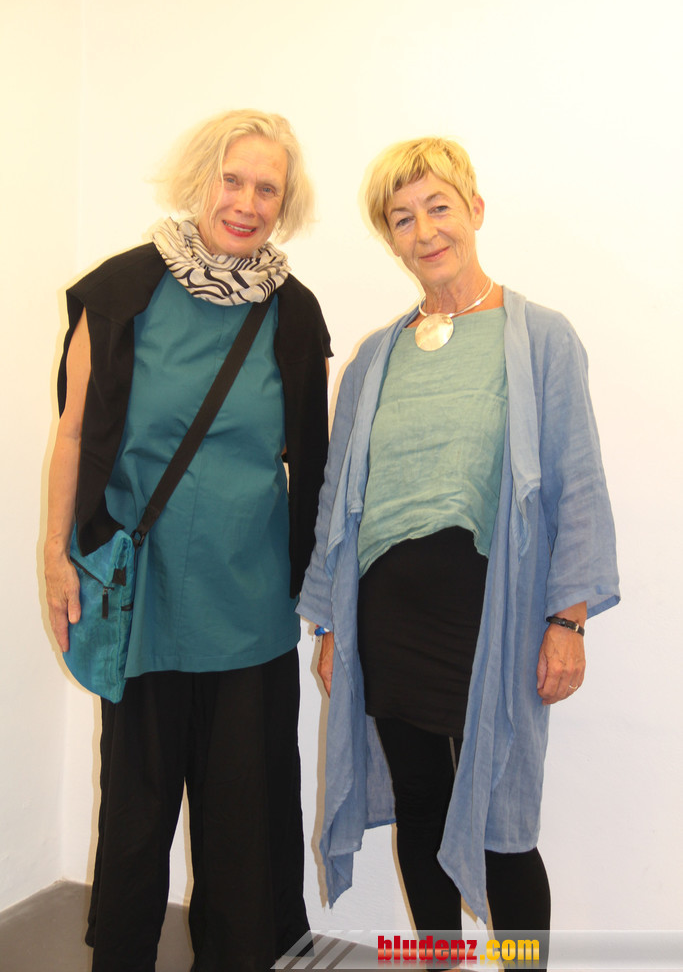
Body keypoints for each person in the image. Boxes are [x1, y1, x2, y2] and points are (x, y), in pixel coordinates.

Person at [298, 137, 619, 967]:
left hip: (492, 615)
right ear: (390, 238)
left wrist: (568, 621)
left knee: (503, 826)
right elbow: (337, 496)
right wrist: (330, 624)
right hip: (386, 619)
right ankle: (438, 962)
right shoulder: (374, 357)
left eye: (437, 207)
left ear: (474, 210)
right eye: (402, 218)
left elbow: (577, 483)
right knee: (420, 803)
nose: (424, 230)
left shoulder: (539, 337)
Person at [43, 109, 331, 972]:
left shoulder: (293, 314)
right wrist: (55, 558)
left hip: (249, 610)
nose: (245, 203)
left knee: (244, 826)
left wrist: (327, 605)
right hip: (143, 601)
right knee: (135, 819)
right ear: (200, 179)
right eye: (231, 180)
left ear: (284, 204)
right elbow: (73, 433)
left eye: (267, 189)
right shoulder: (122, 291)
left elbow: (313, 467)